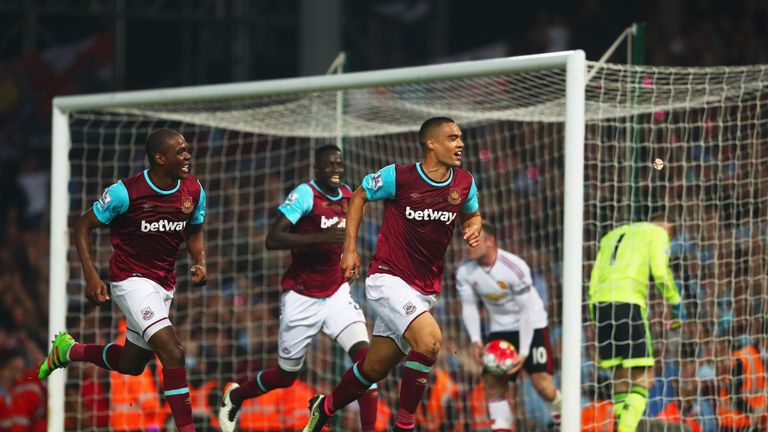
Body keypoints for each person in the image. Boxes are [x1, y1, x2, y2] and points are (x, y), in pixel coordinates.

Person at [301, 116, 482, 432]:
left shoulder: (464, 182)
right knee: (430, 341)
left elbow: (473, 214)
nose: (460, 144)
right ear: (431, 143)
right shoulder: (399, 177)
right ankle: (405, 425)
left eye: (460, 137)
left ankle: (325, 407)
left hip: (424, 289)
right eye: (452, 137)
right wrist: (350, 249)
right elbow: (358, 195)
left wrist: (473, 228)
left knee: (374, 368)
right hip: (387, 278)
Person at [37, 129, 207, 432]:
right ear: (159, 158)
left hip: (164, 284)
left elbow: (194, 228)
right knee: (174, 352)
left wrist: (200, 261)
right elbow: (82, 226)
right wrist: (92, 277)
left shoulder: (193, 190)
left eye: (187, 150)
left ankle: (69, 351)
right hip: (131, 281)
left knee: (131, 364)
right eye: (180, 152)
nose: (187, 156)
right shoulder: (125, 192)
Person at [218, 145, 378, 432]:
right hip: (302, 297)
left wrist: (350, 259)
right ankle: (235, 396)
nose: (335, 170)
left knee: (369, 366)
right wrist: (319, 237)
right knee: (285, 375)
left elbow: (346, 240)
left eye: (339, 165)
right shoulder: (305, 194)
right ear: (316, 169)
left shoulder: (347, 197)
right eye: (329, 165)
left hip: (337, 295)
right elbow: (273, 239)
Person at [456, 221, 561, 432]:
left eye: (474, 241)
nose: (468, 246)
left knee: (543, 386)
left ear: (490, 241)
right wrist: (476, 340)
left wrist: (523, 352)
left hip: (533, 324)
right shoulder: (465, 272)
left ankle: (566, 418)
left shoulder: (515, 267)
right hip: (500, 329)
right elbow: (468, 307)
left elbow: (527, 311)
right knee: (493, 385)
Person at [588, 215, 683, 432]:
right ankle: (626, 429)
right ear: (667, 227)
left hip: (601, 306)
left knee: (621, 375)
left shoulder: (610, 236)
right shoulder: (657, 233)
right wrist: (675, 301)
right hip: (628, 303)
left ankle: (622, 424)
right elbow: (660, 271)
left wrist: (596, 319)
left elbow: (593, 281)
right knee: (645, 376)